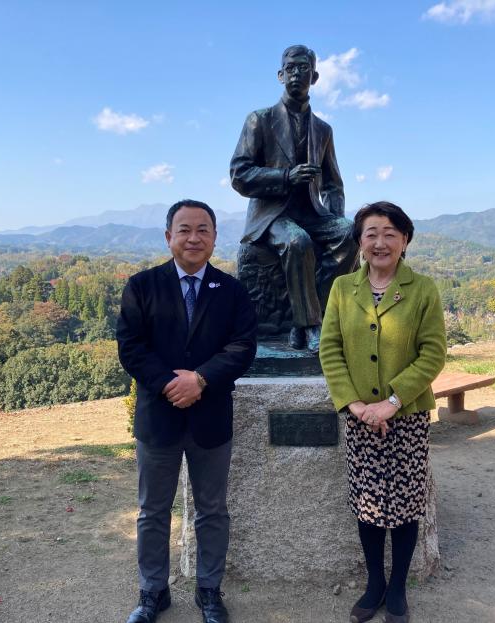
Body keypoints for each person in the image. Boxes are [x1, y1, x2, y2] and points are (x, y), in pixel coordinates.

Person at [116, 199, 257, 623]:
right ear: (168, 237)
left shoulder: (232, 291)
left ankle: (209, 590)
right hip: (158, 418)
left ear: (214, 237)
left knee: (212, 509)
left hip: (210, 418)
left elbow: (242, 347)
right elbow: (131, 347)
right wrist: (170, 384)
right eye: (184, 229)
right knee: (152, 511)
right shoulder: (141, 286)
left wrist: (201, 379)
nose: (193, 238)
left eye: (203, 230)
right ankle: (152, 592)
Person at [319, 202, 446, 623]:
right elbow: (330, 349)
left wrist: (391, 401)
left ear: (405, 240)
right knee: (368, 504)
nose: (380, 242)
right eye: (371, 233)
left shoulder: (423, 289)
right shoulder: (341, 289)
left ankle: (397, 587)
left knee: (407, 505)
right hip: (359, 419)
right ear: (359, 242)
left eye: (390, 233)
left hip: (405, 417)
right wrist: (356, 405)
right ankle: (374, 582)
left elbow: (432, 354)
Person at [230, 44, 356, 352]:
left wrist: (336, 215)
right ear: (280, 74)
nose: (296, 73)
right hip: (272, 216)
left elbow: (333, 185)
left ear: (315, 76)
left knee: (353, 232)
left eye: (303, 68)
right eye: (290, 67)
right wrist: (285, 177)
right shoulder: (259, 120)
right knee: (297, 241)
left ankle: (318, 315)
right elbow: (239, 174)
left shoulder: (323, 130)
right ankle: (310, 326)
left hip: (312, 213)